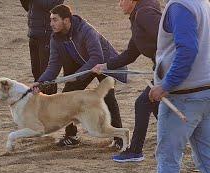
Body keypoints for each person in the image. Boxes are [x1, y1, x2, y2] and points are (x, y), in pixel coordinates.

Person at [32, 4, 126, 148]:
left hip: (103, 63)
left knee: (108, 97)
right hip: (82, 64)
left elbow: (96, 57)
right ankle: (71, 136)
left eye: (55, 20)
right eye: (51, 20)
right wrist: (41, 81)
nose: (51, 24)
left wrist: (77, 75)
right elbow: (53, 65)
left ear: (67, 20)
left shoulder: (86, 30)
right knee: (67, 95)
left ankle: (119, 139)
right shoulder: (55, 38)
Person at [92, 0, 161, 162]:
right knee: (158, 106)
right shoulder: (138, 15)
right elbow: (131, 52)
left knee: (143, 103)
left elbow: (169, 38)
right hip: (163, 67)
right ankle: (171, 143)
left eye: (122, 0)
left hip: (170, 67)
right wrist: (106, 66)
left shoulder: (145, 13)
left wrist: (162, 65)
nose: (118, 4)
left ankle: (136, 151)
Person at [148, 0, 210, 173]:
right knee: (206, 158)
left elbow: (188, 49)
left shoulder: (180, 6)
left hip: (184, 96)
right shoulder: (202, 3)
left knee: (168, 158)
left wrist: (167, 84)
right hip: (204, 91)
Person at [20, 0, 64, 95]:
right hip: (34, 34)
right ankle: (40, 102)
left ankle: (51, 102)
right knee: (36, 72)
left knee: (47, 74)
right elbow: (28, 8)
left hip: (47, 35)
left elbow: (54, 7)